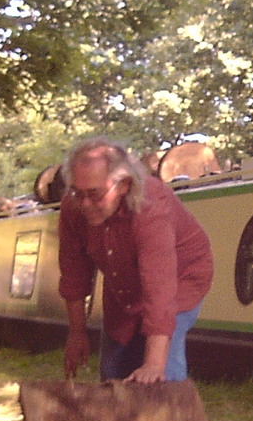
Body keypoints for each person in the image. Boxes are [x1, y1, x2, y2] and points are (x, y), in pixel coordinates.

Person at [58, 138, 214, 383]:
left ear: (123, 185)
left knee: (161, 372)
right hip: (123, 283)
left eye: (95, 194)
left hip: (179, 279)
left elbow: (159, 290)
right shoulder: (73, 206)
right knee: (114, 369)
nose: (85, 204)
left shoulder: (151, 206)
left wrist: (153, 366)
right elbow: (73, 274)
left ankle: (167, 399)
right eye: (78, 193)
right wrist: (76, 334)